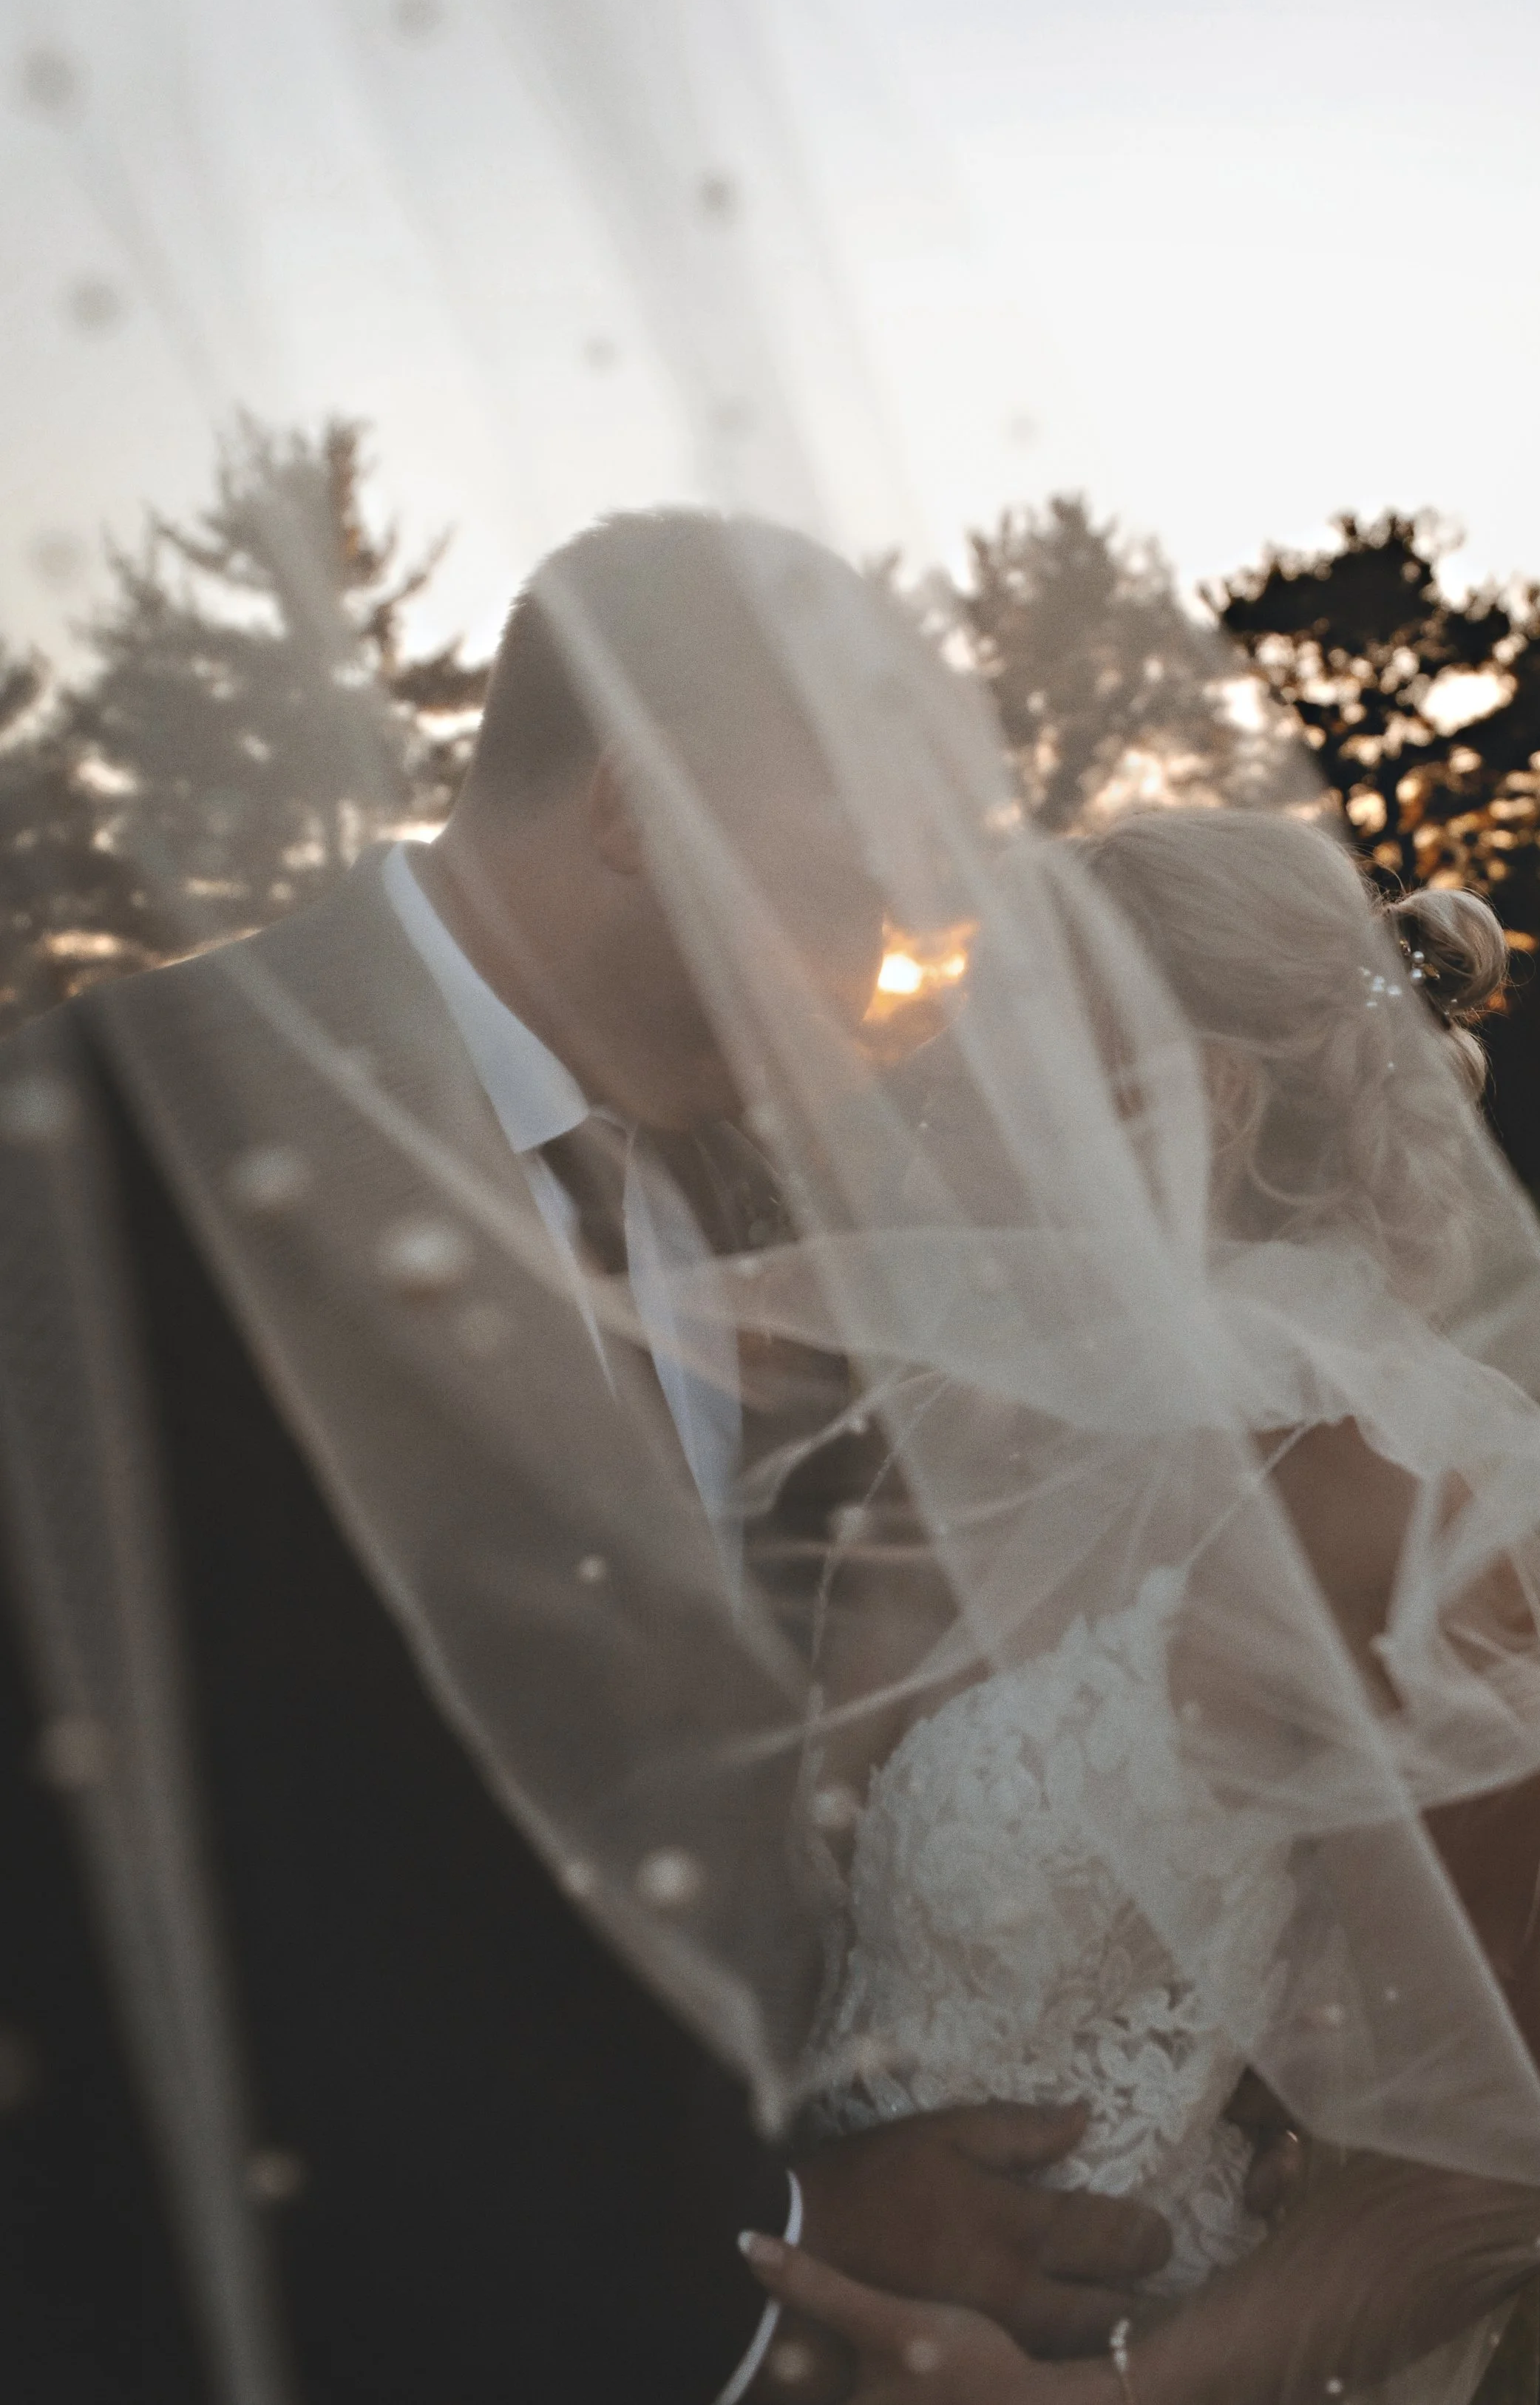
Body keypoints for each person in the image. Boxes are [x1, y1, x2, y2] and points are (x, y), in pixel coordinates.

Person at [0, 512, 1173, 2405]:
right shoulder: (98, 1159)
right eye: (850, 886)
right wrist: (785, 2218)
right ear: (638, 812)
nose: (883, 962)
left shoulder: (747, 1200)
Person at [728, 810, 1540, 2405]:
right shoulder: (939, 1433)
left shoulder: (1379, 1518)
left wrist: (1099, 2393)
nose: (932, 1087)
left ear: (1192, 1101)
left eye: (997, 1041)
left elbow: (1491, 2160)